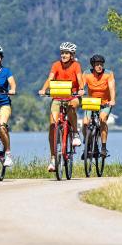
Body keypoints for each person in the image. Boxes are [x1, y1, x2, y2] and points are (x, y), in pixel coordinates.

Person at [38, 41, 84, 172]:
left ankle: (75, 133)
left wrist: (81, 89)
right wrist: (43, 89)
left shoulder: (76, 65)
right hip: (57, 97)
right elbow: (50, 78)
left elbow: (80, 79)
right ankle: (53, 158)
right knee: (53, 125)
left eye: (67, 53)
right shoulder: (56, 65)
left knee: (72, 107)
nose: (64, 55)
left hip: (72, 96)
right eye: (62, 53)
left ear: (72, 55)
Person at [82, 54, 115, 157]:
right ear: (93, 65)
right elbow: (81, 86)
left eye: (101, 64)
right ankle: (88, 144)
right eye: (97, 64)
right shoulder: (87, 74)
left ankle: (104, 148)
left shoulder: (108, 74)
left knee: (102, 119)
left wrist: (112, 100)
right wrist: (80, 91)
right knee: (85, 122)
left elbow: (112, 88)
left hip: (105, 103)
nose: (100, 66)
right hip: (91, 103)